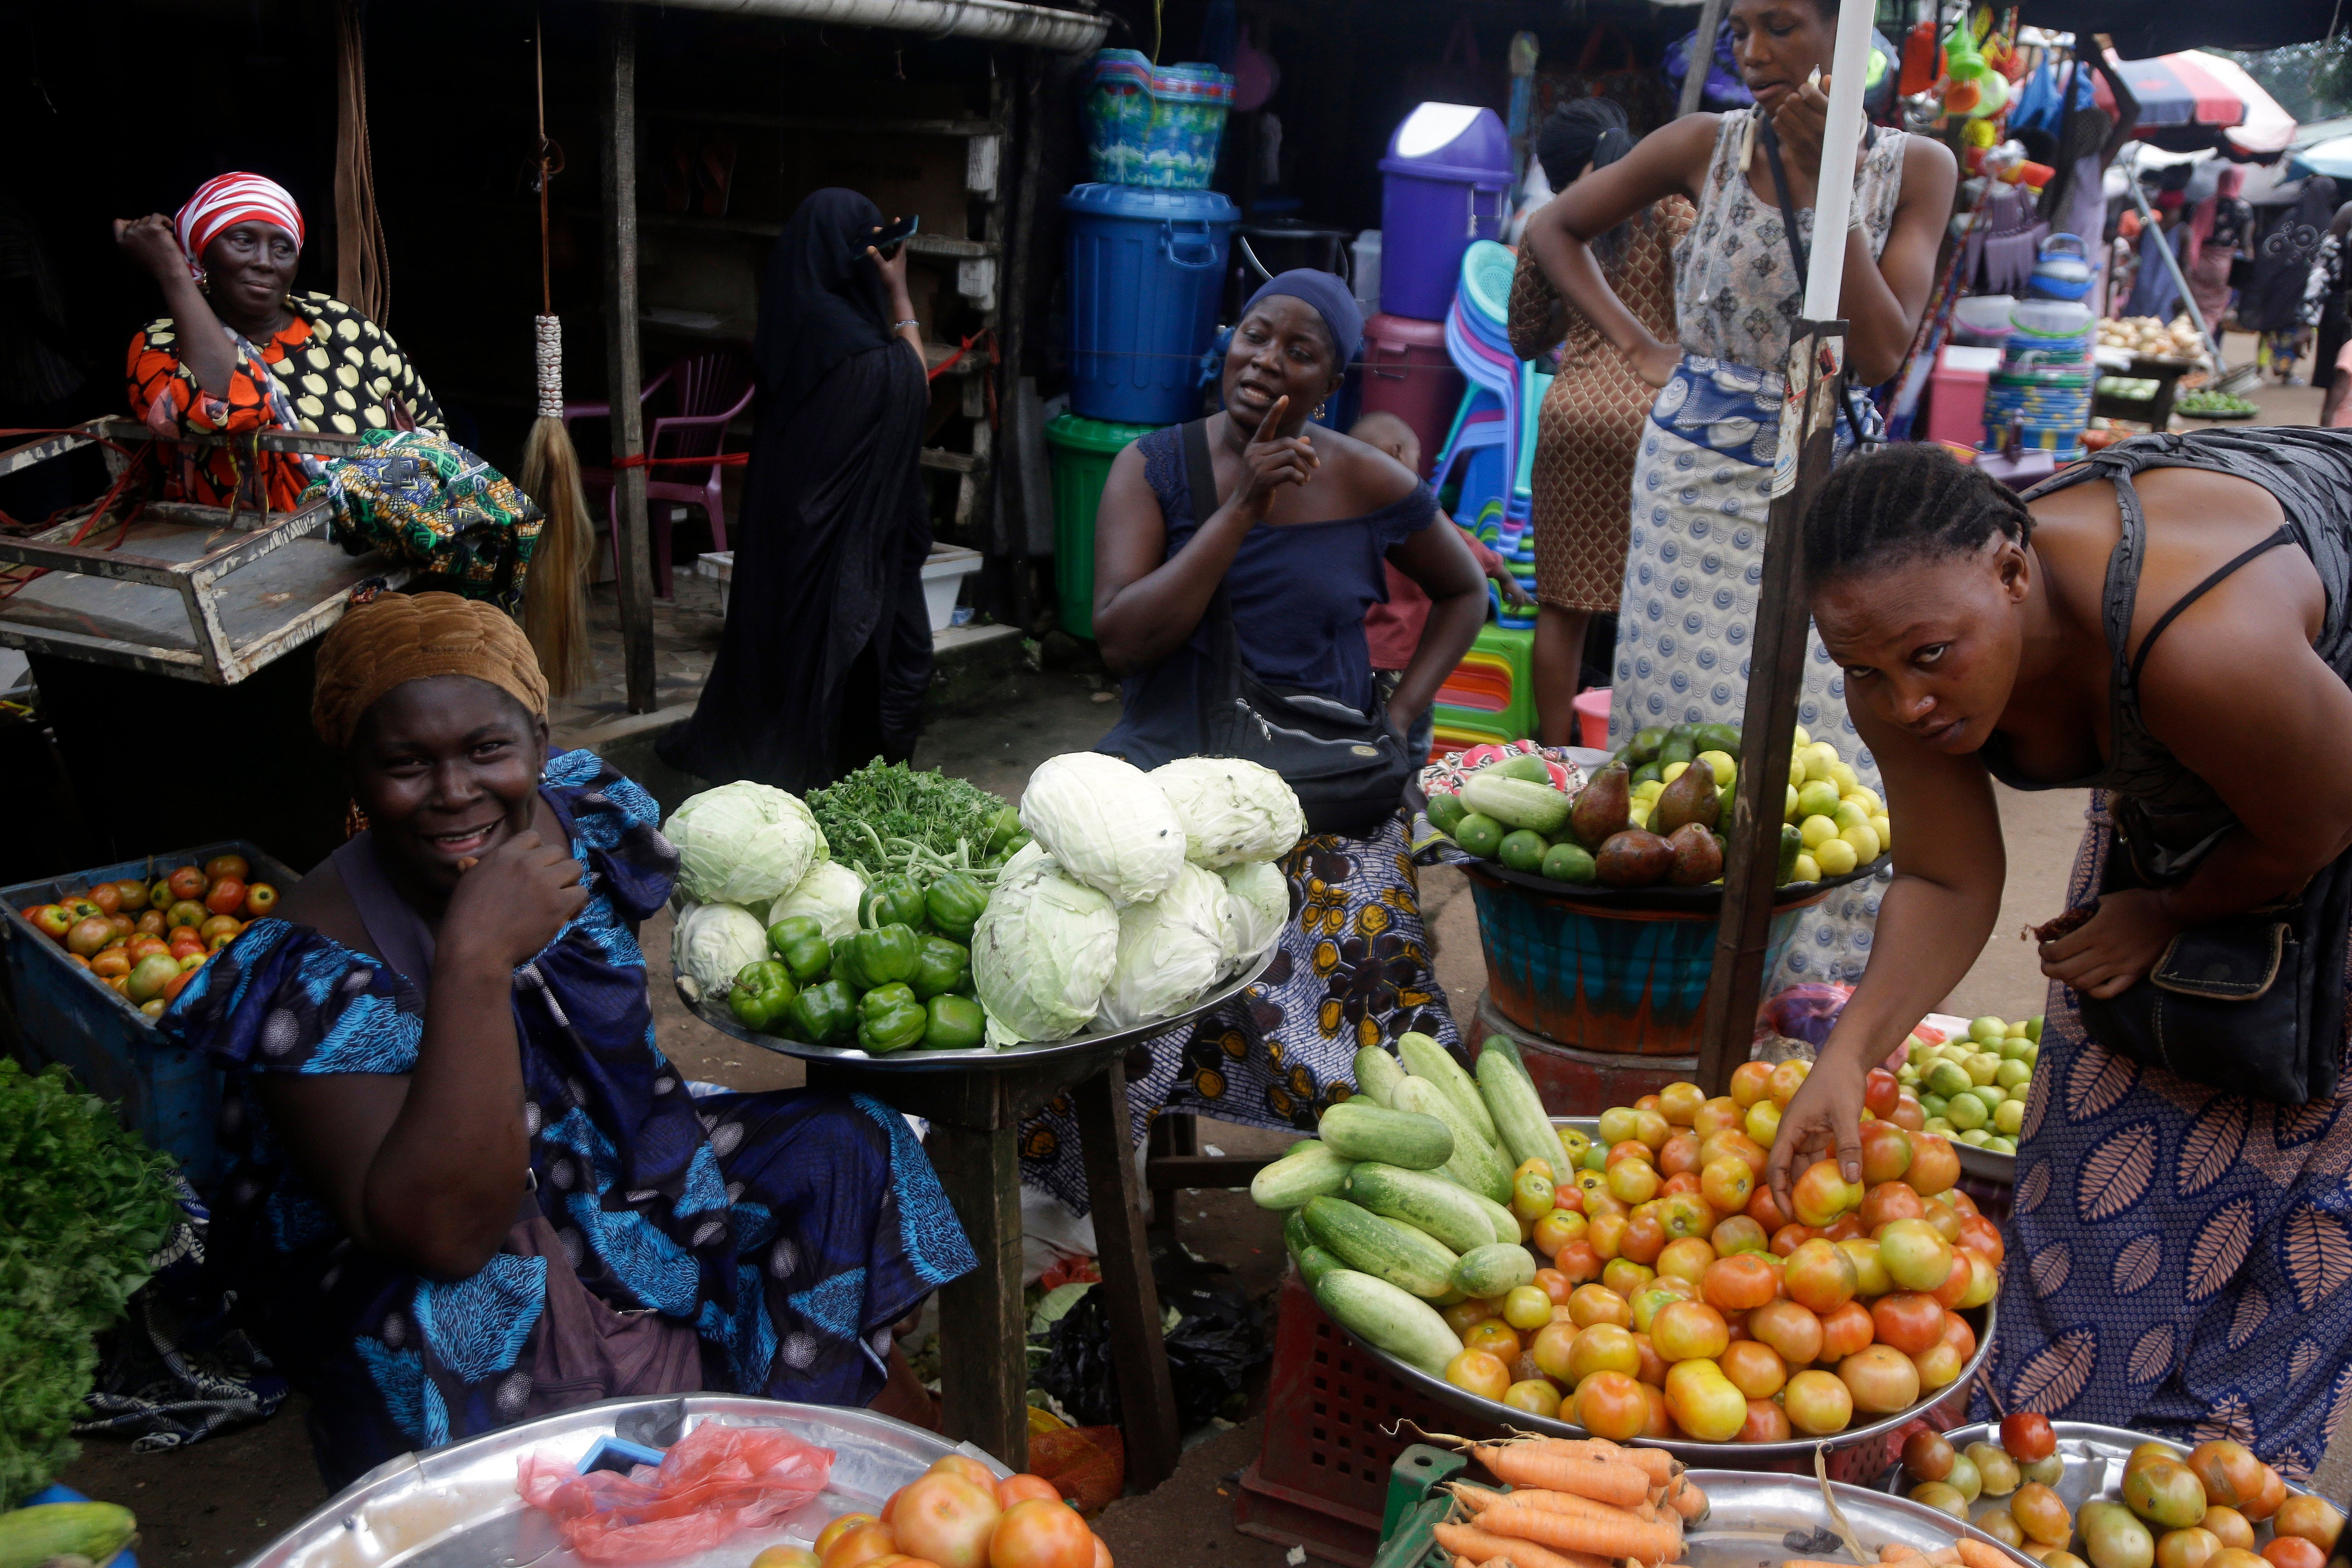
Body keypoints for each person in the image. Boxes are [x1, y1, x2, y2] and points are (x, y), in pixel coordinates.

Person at [162, 591, 975, 1486]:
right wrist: (472, 959)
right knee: (478, 1308)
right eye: (406, 764)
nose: (455, 792)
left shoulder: (581, 820)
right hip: (446, 1234)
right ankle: (611, 1494)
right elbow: (442, 1234)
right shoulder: (309, 962)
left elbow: (609, 1073)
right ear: (353, 774)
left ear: (540, 746)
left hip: (611, 1169)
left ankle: (803, 1436)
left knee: (846, 1143)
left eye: (487, 750)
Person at [1763, 434, 2352, 1468]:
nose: (1905, 702)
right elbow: (1947, 879)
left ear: (2012, 568)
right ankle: (2055, 1462)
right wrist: (1847, 1055)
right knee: (2102, 1168)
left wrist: (2165, 909)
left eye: (1930, 656)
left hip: (2317, 759)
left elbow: (2321, 818)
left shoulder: (2200, 644)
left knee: (2300, 1199)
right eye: (1866, 670)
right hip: (2205, 785)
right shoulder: (1898, 643)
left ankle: (2232, 1471)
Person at [1010, 271, 1484, 1212]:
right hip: (1165, 785)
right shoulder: (1155, 468)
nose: (1268, 361)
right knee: (1102, 960)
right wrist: (1239, 514)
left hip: (1321, 792)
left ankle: (1379, 1179)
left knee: (1358, 946)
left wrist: (1398, 720)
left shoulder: (1364, 479)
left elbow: (1466, 589)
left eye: (1299, 352)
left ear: (1330, 382)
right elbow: (1122, 635)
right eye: (1257, 336)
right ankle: (1079, 1201)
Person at [1520, 0, 1956, 985]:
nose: (1755, 54)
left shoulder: (1916, 168)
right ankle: (1664, 982)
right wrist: (1637, 345)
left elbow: (1880, 352)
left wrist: (1820, 189)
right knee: (1680, 738)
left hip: (1827, 498)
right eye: (1742, 31)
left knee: (1823, 750)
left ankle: (1802, 999)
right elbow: (1555, 228)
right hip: (1691, 485)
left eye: (1784, 28)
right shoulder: (1700, 145)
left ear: (1848, 37)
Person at [659, 189, 932, 792]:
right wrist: (901, 294)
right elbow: (915, 388)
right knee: (857, 666)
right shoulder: (857, 346)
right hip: (838, 550)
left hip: (786, 526)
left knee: (779, 654)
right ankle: (823, 784)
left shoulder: (798, 317)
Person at [1509, 99, 1695, 745]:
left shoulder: (1549, 223)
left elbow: (1526, 336)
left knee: (1562, 610)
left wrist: (1576, 302)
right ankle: (1654, 752)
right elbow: (1703, 297)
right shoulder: (1671, 204)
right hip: (1662, 412)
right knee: (1665, 602)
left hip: (1576, 418)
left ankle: (1557, 750)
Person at [115, 173, 444, 514]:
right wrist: (173, 271)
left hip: (388, 521)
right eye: (243, 241)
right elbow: (224, 412)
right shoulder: (161, 343)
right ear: (202, 253)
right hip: (258, 546)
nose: (265, 261)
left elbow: (428, 425)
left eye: (282, 247)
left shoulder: (334, 321)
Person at [1353, 408, 1530, 758]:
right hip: (1405, 660)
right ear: (1397, 453)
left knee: (1360, 733)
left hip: (1354, 658)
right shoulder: (1415, 516)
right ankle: (1408, 791)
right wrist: (1506, 577)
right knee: (1408, 735)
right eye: (1418, 457)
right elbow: (1467, 550)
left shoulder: (1349, 514)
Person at [2185, 166, 2249, 338]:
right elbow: (2247, 244)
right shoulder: (2244, 209)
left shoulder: (2204, 205)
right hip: (2224, 267)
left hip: (2199, 261)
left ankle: (2190, 342)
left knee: (2194, 308)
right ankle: (2207, 344)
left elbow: (2192, 235)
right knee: (2214, 312)